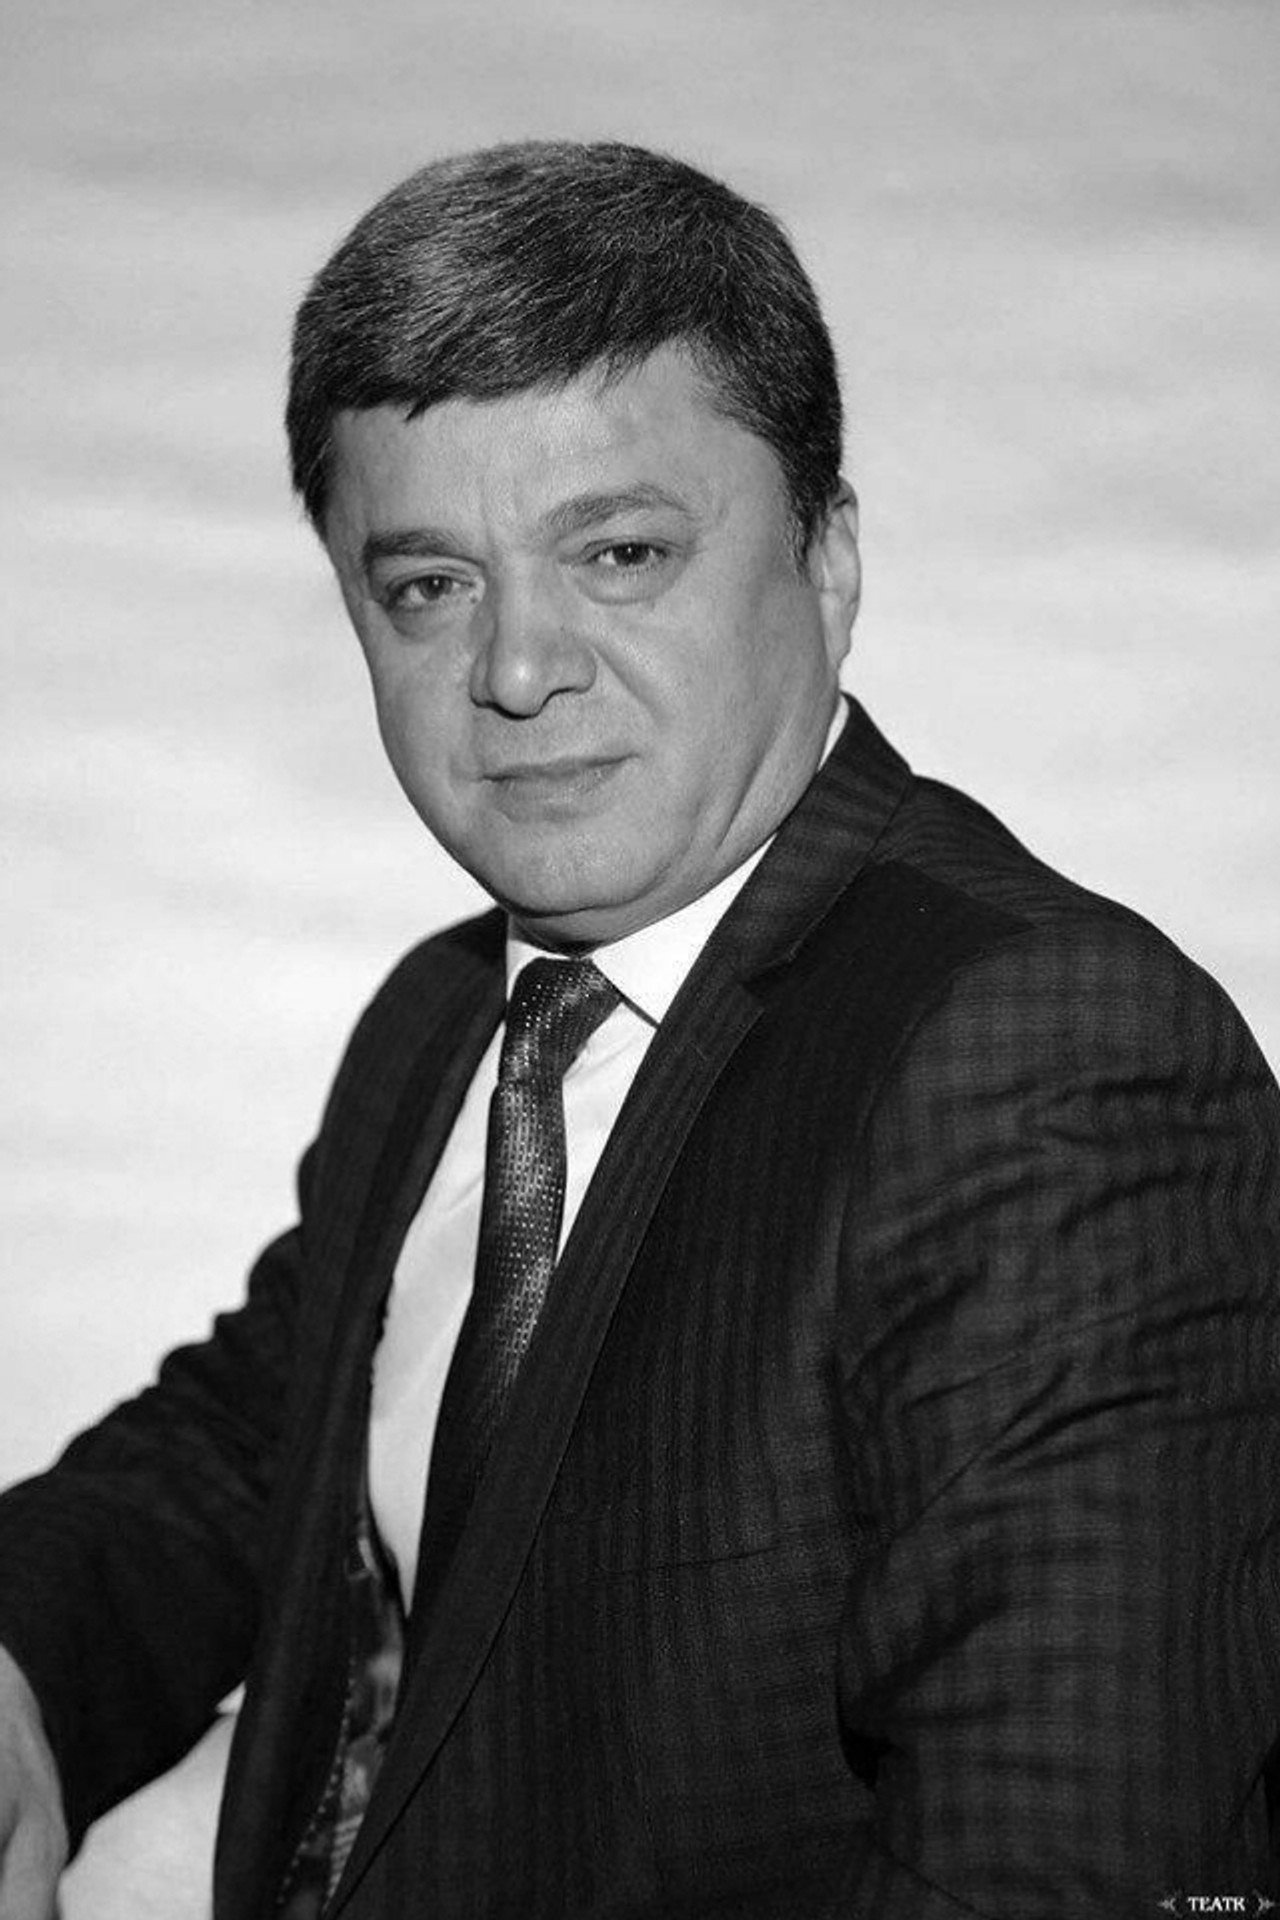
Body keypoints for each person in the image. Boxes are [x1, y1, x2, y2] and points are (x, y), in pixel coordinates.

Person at [1, 139, 1278, 1920]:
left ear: (830, 558)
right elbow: (264, 1449)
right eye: (429, 585)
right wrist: (16, 1677)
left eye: (619, 552)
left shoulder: (1047, 1059)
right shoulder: (447, 1018)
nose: (518, 668)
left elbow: (1059, 1865)